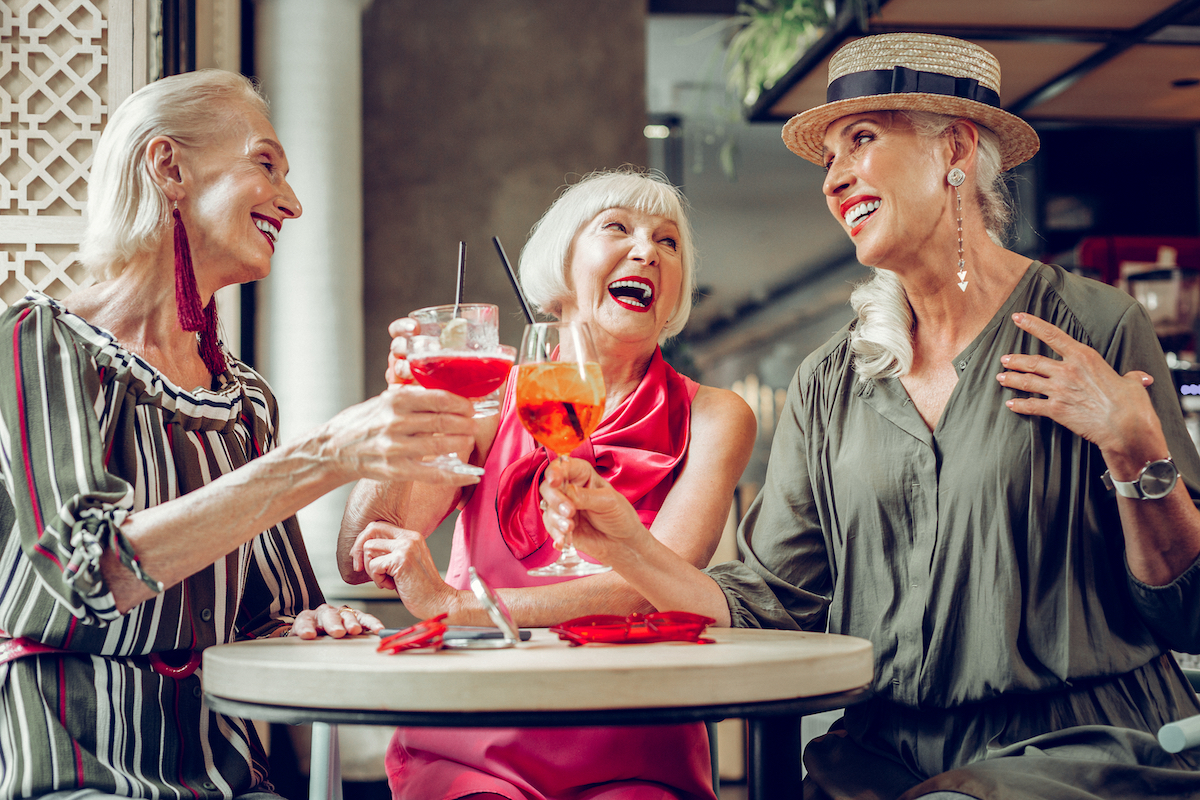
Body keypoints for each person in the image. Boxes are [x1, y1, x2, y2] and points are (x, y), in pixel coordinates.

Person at [535, 34, 1200, 800]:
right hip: (884, 755)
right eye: (827, 157)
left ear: (954, 147)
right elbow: (770, 603)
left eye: (861, 140)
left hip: (1080, 748)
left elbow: (1187, 614)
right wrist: (626, 545)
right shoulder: (832, 380)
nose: (834, 177)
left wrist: (1135, 449)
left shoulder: (1096, 325)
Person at [0, 70, 480, 800]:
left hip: (218, 766)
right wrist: (327, 455)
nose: (292, 202)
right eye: (266, 164)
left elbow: (274, 610)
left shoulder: (244, 398)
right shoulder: (39, 342)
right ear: (169, 167)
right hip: (68, 758)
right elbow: (89, 570)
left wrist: (313, 621)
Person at [338, 169, 756, 800]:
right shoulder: (485, 398)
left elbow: (655, 589)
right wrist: (405, 406)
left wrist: (462, 610)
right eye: (618, 227)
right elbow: (360, 551)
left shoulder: (717, 417)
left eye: (667, 242)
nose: (646, 249)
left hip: (634, 742)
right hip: (475, 739)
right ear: (561, 267)